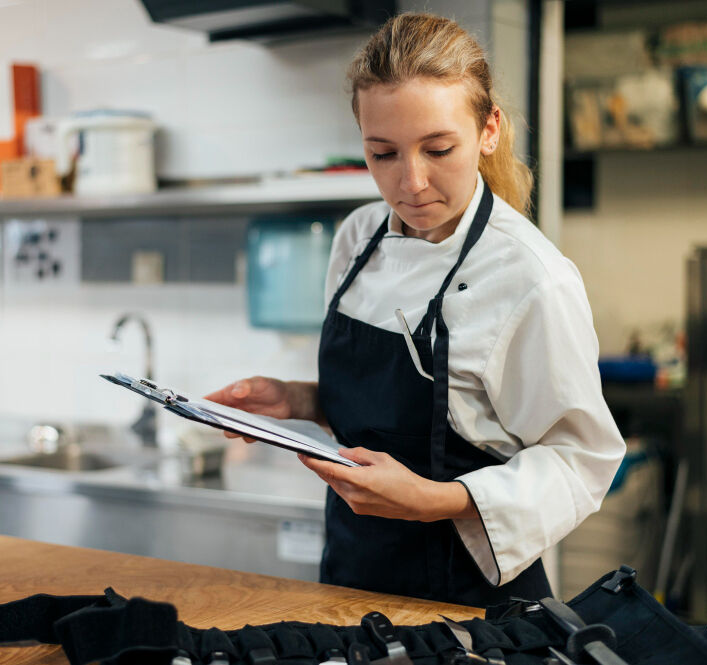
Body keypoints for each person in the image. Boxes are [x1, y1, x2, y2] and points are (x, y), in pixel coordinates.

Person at [206, 12, 625, 606]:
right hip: (350, 579)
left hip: (472, 604)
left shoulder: (532, 277)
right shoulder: (357, 238)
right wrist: (301, 400)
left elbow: (581, 460)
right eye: (383, 154)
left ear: (489, 130)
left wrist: (434, 500)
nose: (412, 182)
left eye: (438, 149)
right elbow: (398, 410)